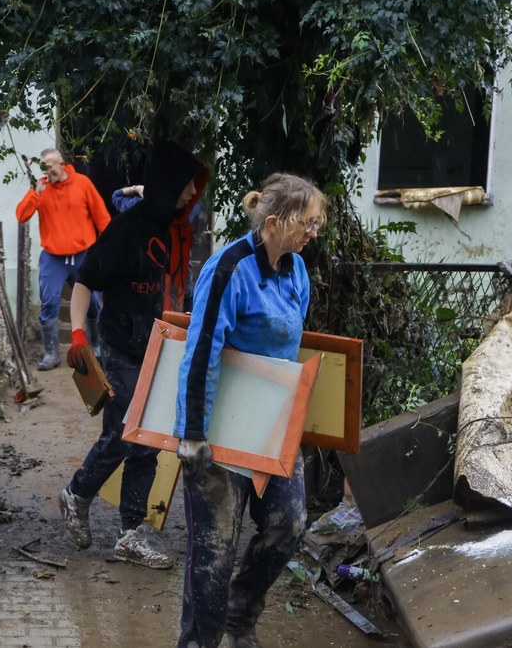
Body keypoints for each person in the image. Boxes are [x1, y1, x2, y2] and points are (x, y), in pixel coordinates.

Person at [172, 173, 327, 648]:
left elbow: (288, 350)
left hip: (271, 421)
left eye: (318, 223)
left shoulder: (296, 269)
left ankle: (242, 614)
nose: (314, 232)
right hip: (218, 427)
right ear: (275, 222)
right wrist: (192, 431)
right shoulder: (229, 268)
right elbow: (201, 351)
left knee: (289, 525)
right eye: (308, 223)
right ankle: (199, 642)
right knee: (214, 551)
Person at [56, 142, 210, 569]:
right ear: (164, 186)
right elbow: (85, 281)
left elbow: (179, 290)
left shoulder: (180, 231)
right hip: (120, 346)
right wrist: (79, 336)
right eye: (183, 189)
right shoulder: (126, 231)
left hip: (162, 349)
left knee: (148, 444)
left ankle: (130, 533)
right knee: (126, 431)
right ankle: (77, 493)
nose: (188, 196)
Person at [15, 148, 112, 370]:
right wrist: (35, 193)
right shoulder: (40, 187)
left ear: (62, 163)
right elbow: (21, 215)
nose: (47, 171)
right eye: (43, 167)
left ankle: (96, 347)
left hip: (83, 255)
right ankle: (51, 354)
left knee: (94, 305)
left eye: (49, 166)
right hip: (53, 257)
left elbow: (102, 217)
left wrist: (105, 249)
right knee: (48, 302)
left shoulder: (83, 183)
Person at [111, 183, 203, 312]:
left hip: (147, 281)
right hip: (180, 280)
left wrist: (136, 188)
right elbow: (197, 202)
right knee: (183, 321)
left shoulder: (136, 206)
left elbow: (116, 196)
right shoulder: (183, 210)